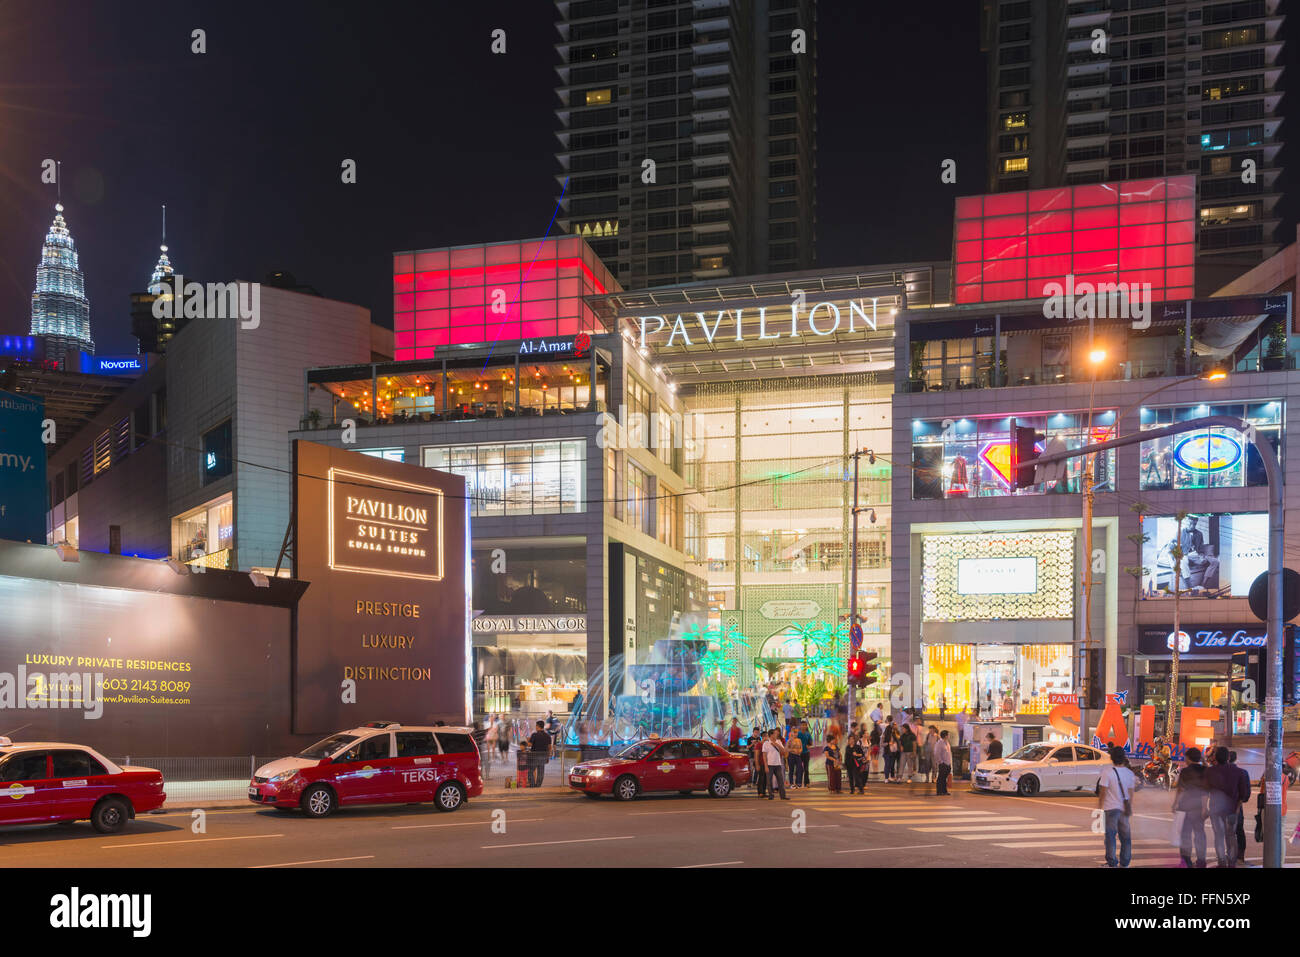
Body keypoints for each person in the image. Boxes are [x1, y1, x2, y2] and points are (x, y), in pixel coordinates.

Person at [1206, 745, 1251, 867]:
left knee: (1219, 836)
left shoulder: (1210, 771)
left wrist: (1204, 808)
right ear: (1228, 757)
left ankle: (1221, 862)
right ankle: (1232, 863)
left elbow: (1205, 791)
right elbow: (1243, 794)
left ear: (1216, 757)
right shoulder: (1239, 772)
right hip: (1232, 810)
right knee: (1231, 836)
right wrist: (1237, 809)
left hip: (1215, 809)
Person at [1098, 745, 1138, 867]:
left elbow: (1103, 792)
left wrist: (1100, 808)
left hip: (1110, 809)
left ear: (1112, 758)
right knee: (1125, 838)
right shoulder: (1129, 773)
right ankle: (1125, 863)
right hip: (1124, 809)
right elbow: (1131, 794)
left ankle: (1112, 862)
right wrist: (1129, 807)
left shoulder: (1107, 772)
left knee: (1110, 837)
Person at [1174, 746, 1210, 868]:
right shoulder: (1205, 770)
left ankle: (1186, 861)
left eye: (1186, 757)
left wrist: (1175, 803)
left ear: (1188, 758)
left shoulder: (1185, 771)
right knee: (1200, 834)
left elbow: (1180, 789)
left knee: (1185, 834)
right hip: (1199, 807)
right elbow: (1206, 791)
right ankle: (1201, 861)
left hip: (1186, 806)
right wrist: (1205, 807)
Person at [1229, 751, 1248, 860]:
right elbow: (1246, 793)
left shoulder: (1223, 771)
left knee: (1228, 831)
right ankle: (1240, 854)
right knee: (1239, 830)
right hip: (1238, 805)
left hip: (1224, 805)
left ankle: (1230, 854)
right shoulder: (1243, 772)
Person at [763, 729, 789, 800]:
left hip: (778, 764)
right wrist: (765, 766)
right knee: (769, 781)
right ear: (771, 735)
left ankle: (783, 796)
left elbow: (783, 751)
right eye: (775, 733)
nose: (776, 734)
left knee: (780, 780)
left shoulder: (779, 741)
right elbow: (764, 755)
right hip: (769, 764)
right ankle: (771, 795)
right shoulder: (766, 743)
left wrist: (776, 744)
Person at [527, 720, 552, 788]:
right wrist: (548, 756)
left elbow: (529, 745)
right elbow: (550, 747)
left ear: (537, 726)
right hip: (543, 756)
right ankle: (538, 786)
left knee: (530, 771)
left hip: (534, 756)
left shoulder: (534, 735)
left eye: (536, 726)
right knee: (541, 772)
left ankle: (532, 785)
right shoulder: (547, 736)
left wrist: (528, 740)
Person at [748, 727, 767, 797]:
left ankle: (764, 792)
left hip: (765, 763)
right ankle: (760, 792)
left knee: (765, 778)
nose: (767, 738)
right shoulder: (759, 744)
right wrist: (757, 764)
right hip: (760, 763)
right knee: (761, 778)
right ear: (763, 737)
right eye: (766, 736)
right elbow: (756, 755)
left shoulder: (766, 744)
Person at [785, 723, 805, 788]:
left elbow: (801, 748)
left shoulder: (799, 740)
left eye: (796, 732)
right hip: (791, 756)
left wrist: (799, 751)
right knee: (791, 770)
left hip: (798, 756)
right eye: (794, 732)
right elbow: (786, 749)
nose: (796, 734)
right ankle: (791, 783)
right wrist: (793, 750)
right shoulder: (789, 740)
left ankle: (798, 782)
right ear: (792, 733)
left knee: (800, 769)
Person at [934, 730, 953, 795]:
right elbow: (936, 753)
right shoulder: (939, 743)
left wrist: (950, 764)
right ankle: (939, 791)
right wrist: (941, 762)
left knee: (944, 778)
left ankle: (944, 791)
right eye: (948, 734)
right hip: (943, 763)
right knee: (941, 778)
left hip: (948, 763)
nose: (949, 736)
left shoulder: (947, 743)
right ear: (945, 736)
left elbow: (949, 753)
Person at [882, 716, 899, 782]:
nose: (895, 727)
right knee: (887, 765)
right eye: (893, 726)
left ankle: (892, 777)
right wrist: (888, 743)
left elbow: (898, 740)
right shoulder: (885, 735)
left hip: (894, 751)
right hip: (887, 751)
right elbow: (882, 744)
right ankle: (886, 778)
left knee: (892, 765)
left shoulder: (896, 733)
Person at [798, 719, 813, 789]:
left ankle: (807, 783)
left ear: (806, 726)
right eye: (802, 725)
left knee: (806, 769)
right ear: (800, 726)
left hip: (806, 753)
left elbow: (811, 742)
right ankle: (799, 782)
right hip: (799, 753)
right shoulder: (798, 734)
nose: (803, 726)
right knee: (799, 768)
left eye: (805, 725)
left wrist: (809, 745)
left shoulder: (808, 734)